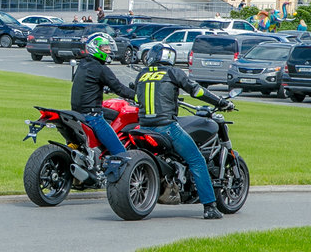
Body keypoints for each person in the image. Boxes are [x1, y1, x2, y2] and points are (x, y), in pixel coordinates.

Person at [133, 43, 234, 220]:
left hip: (142, 127)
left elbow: (136, 98)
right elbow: (197, 90)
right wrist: (220, 102)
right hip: (166, 127)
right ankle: (210, 206)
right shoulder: (173, 72)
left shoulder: (142, 75)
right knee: (197, 160)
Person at [70, 33, 136, 157]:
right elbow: (119, 88)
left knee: (109, 112)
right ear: (95, 49)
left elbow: (89, 83)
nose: (109, 51)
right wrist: (138, 96)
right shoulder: (100, 68)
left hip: (76, 113)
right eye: (105, 49)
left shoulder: (83, 64)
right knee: (121, 153)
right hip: (92, 117)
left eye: (109, 49)